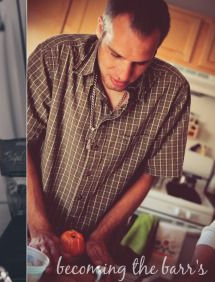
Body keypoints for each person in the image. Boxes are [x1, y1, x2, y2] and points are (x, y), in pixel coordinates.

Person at [27, 0, 189, 268]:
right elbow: (25, 143)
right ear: (101, 27)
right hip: (32, 235)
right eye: (116, 55)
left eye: (141, 62)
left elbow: (150, 173)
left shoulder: (173, 92)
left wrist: (99, 237)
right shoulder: (54, 58)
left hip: (98, 252)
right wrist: (38, 226)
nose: (125, 74)